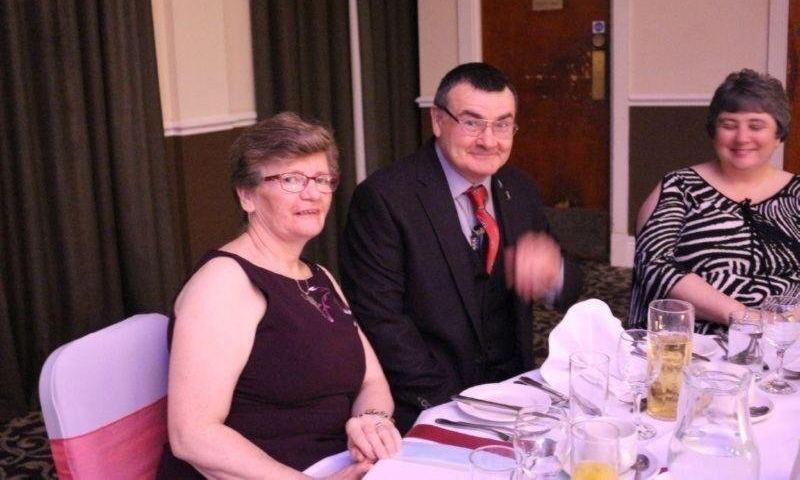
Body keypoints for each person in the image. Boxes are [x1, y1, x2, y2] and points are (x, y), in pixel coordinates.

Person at [339, 62, 584, 431]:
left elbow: (570, 286)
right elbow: (381, 323)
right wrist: (453, 408)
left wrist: (554, 275)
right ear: (438, 121)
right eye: (472, 123)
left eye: (502, 125)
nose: (489, 140)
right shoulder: (384, 198)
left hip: (514, 396)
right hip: (429, 404)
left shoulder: (520, 189)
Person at [157, 113, 401, 479]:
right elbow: (192, 436)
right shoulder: (224, 282)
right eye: (291, 179)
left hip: (337, 466)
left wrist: (371, 420)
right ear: (247, 195)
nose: (313, 193)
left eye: (322, 179)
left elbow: (371, 381)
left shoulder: (319, 276)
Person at [629, 69, 800, 334]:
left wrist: (786, 323)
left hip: (788, 341)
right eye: (729, 125)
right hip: (694, 344)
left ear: (778, 134)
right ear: (713, 131)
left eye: (756, 126)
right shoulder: (679, 187)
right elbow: (654, 266)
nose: (742, 137)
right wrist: (745, 317)